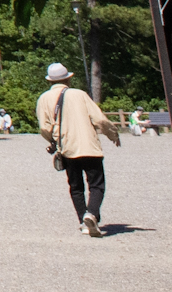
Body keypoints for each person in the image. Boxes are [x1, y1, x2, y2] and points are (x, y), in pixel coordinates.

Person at [38, 62, 120, 237]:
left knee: (76, 187)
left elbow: (44, 128)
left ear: (49, 81)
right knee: (97, 185)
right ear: (68, 78)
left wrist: (53, 140)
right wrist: (113, 134)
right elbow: (99, 119)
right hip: (90, 146)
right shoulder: (80, 94)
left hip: (67, 147)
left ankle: (83, 221)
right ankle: (92, 214)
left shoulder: (44, 99)